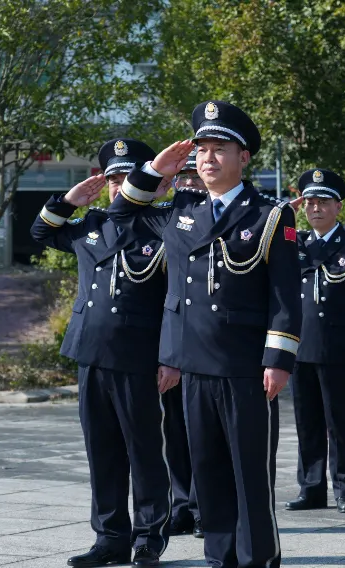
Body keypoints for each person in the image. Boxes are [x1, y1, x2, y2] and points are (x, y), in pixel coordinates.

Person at [111, 100, 302, 568]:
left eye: (219, 149)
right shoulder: (181, 211)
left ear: (244, 157)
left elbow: (286, 296)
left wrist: (278, 359)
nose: (208, 158)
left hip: (246, 367)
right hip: (194, 365)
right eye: (201, 150)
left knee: (249, 474)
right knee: (208, 472)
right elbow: (121, 213)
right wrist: (154, 171)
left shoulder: (271, 215)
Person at [31, 139, 172, 568]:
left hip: (138, 356)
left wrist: (171, 356)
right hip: (90, 353)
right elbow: (40, 234)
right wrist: (68, 201)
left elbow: (178, 302)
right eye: (113, 178)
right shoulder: (91, 224)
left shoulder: (164, 226)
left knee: (143, 451)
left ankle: (148, 538)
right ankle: (110, 537)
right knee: (102, 450)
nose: (119, 186)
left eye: (127, 176)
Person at [285, 168, 345, 514]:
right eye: (309, 202)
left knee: (339, 421)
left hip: (339, 350)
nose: (315, 208)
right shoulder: (294, 245)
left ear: (338, 207)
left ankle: (344, 488)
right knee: (306, 422)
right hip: (300, 348)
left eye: (323, 202)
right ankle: (311, 488)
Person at [162, 147, 204, 539]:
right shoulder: (165, 216)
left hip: (209, 340)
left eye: (196, 177)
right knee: (175, 428)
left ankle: (205, 506)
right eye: (184, 178)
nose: (190, 183)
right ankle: (181, 505)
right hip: (171, 339)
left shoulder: (220, 217)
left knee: (204, 431)